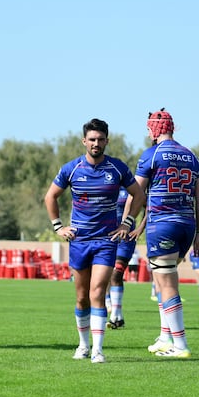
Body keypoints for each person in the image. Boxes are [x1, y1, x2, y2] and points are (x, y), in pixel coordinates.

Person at [44, 118, 145, 364]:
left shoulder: (118, 168)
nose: (96, 143)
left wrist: (127, 223)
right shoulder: (72, 168)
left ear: (107, 141)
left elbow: (139, 194)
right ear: (84, 141)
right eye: (92, 139)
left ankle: (98, 350)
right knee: (81, 296)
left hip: (106, 240)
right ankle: (83, 345)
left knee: (98, 292)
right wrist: (59, 227)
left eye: (100, 139)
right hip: (79, 241)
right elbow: (51, 197)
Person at [129, 109, 199, 359]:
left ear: (153, 130)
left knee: (167, 284)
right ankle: (165, 337)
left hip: (162, 223)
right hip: (187, 225)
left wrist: (127, 221)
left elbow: (137, 193)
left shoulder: (151, 155)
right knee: (162, 280)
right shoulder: (192, 156)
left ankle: (180, 345)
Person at [106, 187, 137, 329]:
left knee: (116, 273)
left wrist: (140, 228)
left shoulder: (131, 188)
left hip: (126, 237)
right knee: (105, 274)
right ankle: (117, 316)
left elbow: (147, 207)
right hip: (107, 236)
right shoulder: (105, 186)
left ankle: (114, 315)